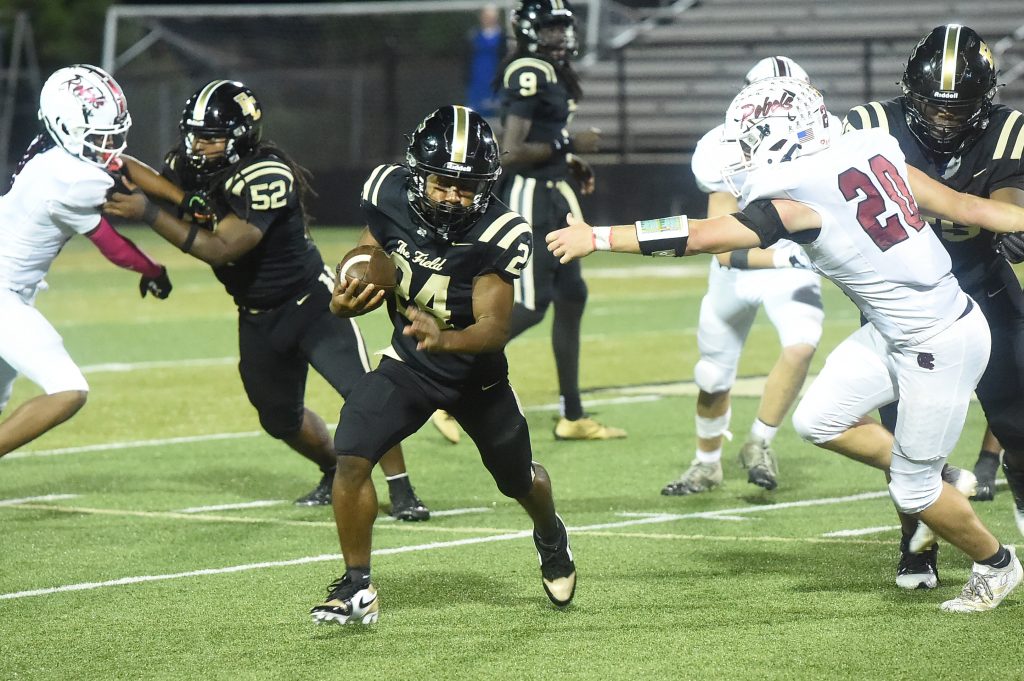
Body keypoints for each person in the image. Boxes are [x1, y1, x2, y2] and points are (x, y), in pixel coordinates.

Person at [547, 76, 1024, 612]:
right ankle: (936, 473)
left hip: (935, 341)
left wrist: (599, 236)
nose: (746, 150)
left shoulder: (800, 197)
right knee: (819, 420)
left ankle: (996, 564)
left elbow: (700, 236)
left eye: (753, 137)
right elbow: (968, 207)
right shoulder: (871, 147)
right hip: (904, 327)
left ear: (784, 133)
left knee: (913, 492)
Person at [101, 79, 428, 520]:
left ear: (241, 137)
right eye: (193, 135)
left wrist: (150, 212)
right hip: (256, 314)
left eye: (211, 137)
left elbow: (224, 247)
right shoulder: (187, 163)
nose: (198, 146)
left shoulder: (266, 174)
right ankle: (332, 469)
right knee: (278, 419)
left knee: (363, 394)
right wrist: (107, 162)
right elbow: (146, 175)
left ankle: (402, 489)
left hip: (311, 303)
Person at [309, 106, 576, 625]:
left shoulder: (498, 230)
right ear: (417, 175)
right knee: (352, 452)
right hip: (409, 366)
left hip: (476, 379)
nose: (453, 196)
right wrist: (346, 294)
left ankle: (550, 533)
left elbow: (494, 328)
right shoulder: (388, 194)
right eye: (442, 183)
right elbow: (369, 250)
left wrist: (444, 338)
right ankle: (357, 586)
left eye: (466, 186)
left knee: (518, 480)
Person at [844, 23, 1024, 562]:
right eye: (933, 106)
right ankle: (916, 544)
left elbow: (1008, 200)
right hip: (903, 302)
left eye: (959, 108)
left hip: (982, 286)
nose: (945, 119)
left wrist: (1014, 225)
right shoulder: (869, 126)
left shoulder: (1007, 129)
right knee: (904, 433)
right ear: (909, 93)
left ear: (985, 100)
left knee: (1018, 418)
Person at [431, 0, 623, 444]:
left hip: (555, 193)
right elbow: (512, 150)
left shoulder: (552, 70)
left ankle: (572, 415)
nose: (561, 35)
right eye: (551, 28)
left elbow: (542, 138)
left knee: (572, 297)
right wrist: (568, 144)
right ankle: (442, 386)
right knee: (533, 306)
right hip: (533, 199)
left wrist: (567, 161)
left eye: (563, 27)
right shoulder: (528, 70)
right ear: (531, 31)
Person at [661, 56, 824, 497]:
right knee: (712, 376)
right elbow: (724, 251)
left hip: (791, 261)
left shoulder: (824, 141)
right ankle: (706, 463)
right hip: (750, 267)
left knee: (802, 343)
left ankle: (759, 442)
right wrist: (788, 261)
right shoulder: (722, 148)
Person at [0, 64, 171, 458]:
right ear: (65, 126)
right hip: (5, 294)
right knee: (68, 390)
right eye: (99, 136)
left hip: (13, 290)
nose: (109, 146)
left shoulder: (48, 150)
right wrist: (153, 269)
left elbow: (122, 164)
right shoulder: (73, 178)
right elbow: (112, 245)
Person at [465, 3, 506, 118]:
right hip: (477, 81)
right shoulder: (473, 36)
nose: (489, 20)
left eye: (492, 17)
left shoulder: (502, 37)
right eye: (486, 16)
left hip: (495, 79)